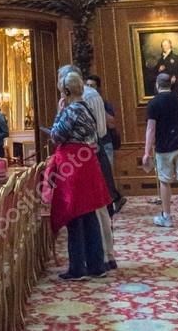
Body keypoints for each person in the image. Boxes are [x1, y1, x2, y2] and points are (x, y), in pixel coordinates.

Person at [47, 69, 111, 280]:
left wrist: (58, 112)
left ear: (66, 91)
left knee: (74, 215)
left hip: (73, 166)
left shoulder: (71, 110)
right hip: (87, 163)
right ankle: (96, 265)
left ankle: (77, 268)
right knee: (89, 214)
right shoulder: (86, 108)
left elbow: (57, 136)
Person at [60, 65, 118, 269]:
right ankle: (101, 257)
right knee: (95, 208)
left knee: (97, 207)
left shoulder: (87, 98)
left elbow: (98, 130)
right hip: (88, 155)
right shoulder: (84, 100)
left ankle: (104, 255)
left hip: (89, 156)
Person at [143, 73, 178, 230]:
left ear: (157, 85)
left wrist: (146, 152)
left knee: (165, 181)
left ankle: (167, 217)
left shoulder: (153, 103)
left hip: (163, 148)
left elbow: (151, 129)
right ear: (170, 85)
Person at [86, 74, 127, 215]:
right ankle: (114, 199)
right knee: (100, 176)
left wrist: (99, 110)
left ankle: (112, 201)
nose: (89, 88)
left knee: (105, 176)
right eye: (88, 86)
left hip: (105, 143)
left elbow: (111, 122)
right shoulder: (84, 102)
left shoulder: (104, 103)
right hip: (92, 145)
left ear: (98, 88)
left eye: (92, 86)